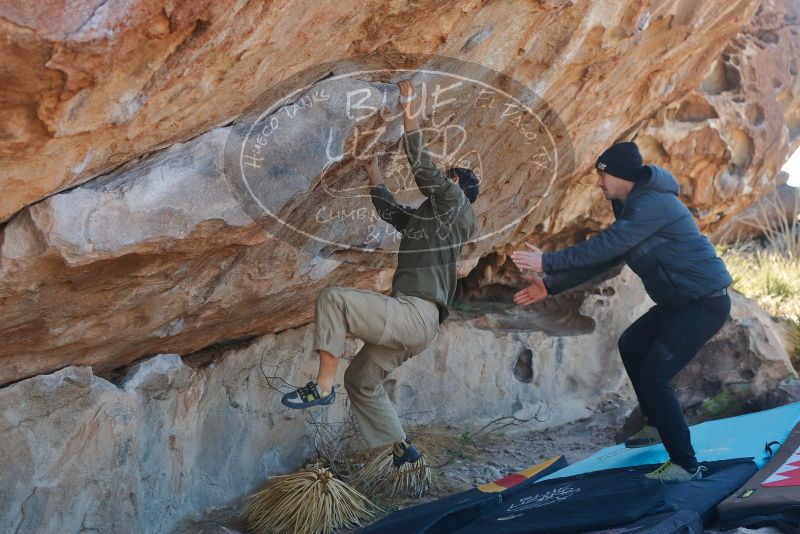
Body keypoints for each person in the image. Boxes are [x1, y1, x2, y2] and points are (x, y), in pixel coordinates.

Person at [282, 80, 479, 467]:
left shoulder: (456, 202)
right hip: (417, 327)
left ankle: (321, 387)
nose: (444, 178)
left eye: (449, 175)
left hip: (413, 314)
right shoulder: (434, 220)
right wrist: (374, 174)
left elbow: (424, 169)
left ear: (456, 184)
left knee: (333, 300)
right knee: (360, 381)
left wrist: (409, 112)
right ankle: (403, 453)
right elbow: (394, 215)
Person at [511, 141, 732, 482]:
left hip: (704, 302)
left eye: (602, 176)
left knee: (655, 376)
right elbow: (609, 257)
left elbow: (609, 244)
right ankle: (657, 426)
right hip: (679, 303)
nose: (598, 183)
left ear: (621, 175)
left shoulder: (655, 203)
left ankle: (686, 465)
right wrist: (551, 282)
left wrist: (547, 261)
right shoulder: (629, 205)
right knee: (631, 344)